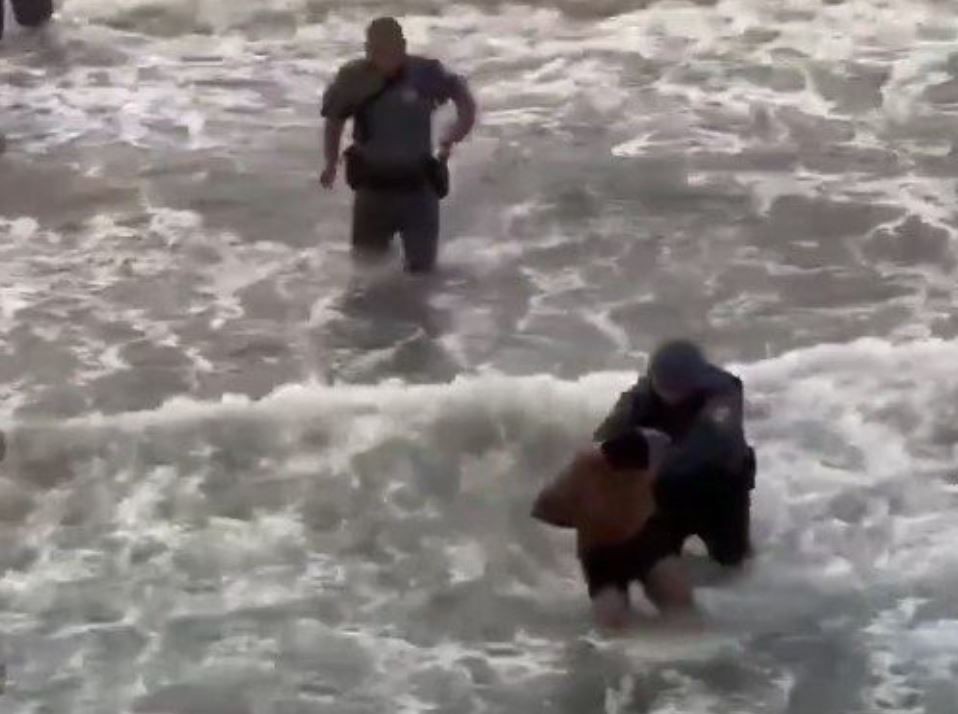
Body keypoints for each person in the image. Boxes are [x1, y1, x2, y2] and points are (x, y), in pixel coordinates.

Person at [318, 16, 477, 274]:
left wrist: (455, 133)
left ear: (403, 46)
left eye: (388, 49)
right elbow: (334, 119)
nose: (381, 56)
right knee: (366, 274)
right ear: (367, 49)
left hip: (418, 191)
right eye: (374, 50)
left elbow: (464, 99)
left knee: (422, 276)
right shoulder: (353, 78)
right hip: (372, 190)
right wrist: (330, 162)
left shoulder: (426, 73)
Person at [594, 338, 756, 573]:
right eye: (665, 386)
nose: (672, 393)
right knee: (660, 567)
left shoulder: (724, 391)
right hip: (668, 493)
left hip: (721, 489)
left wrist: (650, 455)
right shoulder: (638, 398)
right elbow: (603, 439)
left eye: (679, 387)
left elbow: (711, 444)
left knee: (734, 565)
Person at [531, 427, 698, 631]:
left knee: (681, 604)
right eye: (625, 475)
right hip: (602, 555)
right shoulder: (584, 468)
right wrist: (585, 520)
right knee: (611, 627)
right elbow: (542, 508)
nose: (630, 480)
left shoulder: (655, 445)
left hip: (645, 538)